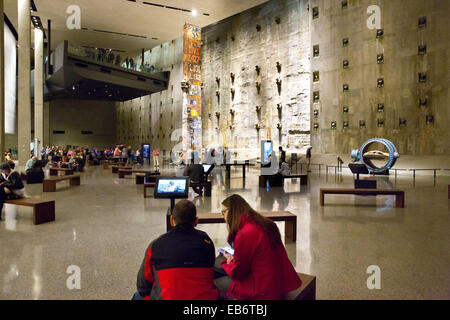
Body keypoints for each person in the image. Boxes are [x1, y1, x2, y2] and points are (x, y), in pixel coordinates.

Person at [214, 194, 302, 300]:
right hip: (280, 281)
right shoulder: (265, 223)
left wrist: (229, 263)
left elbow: (239, 273)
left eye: (224, 212)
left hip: (263, 289)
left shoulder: (245, 233)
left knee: (215, 282)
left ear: (233, 211)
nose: (222, 216)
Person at [133, 200, 218, 300]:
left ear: (172, 220)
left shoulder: (156, 245)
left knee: (138, 296)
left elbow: (142, 287)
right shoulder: (206, 242)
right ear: (196, 221)